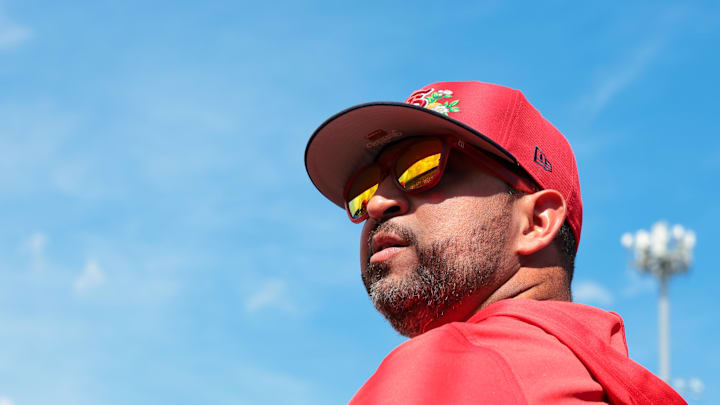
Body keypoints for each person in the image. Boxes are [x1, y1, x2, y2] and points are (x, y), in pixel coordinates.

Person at [304, 81, 685, 404]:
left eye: (423, 166)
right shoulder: (591, 382)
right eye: (362, 189)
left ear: (536, 222)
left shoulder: (456, 368)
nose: (375, 204)